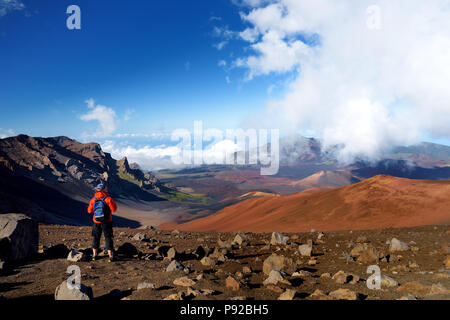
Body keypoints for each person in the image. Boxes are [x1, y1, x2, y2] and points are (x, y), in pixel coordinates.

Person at [87, 183, 118, 262]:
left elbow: (89, 211)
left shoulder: (93, 199)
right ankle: (111, 256)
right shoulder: (108, 198)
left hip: (96, 221)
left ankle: (94, 255)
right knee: (108, 238)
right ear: (104, 189)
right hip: (107, 222)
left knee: (96, 237)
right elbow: (114, 209)